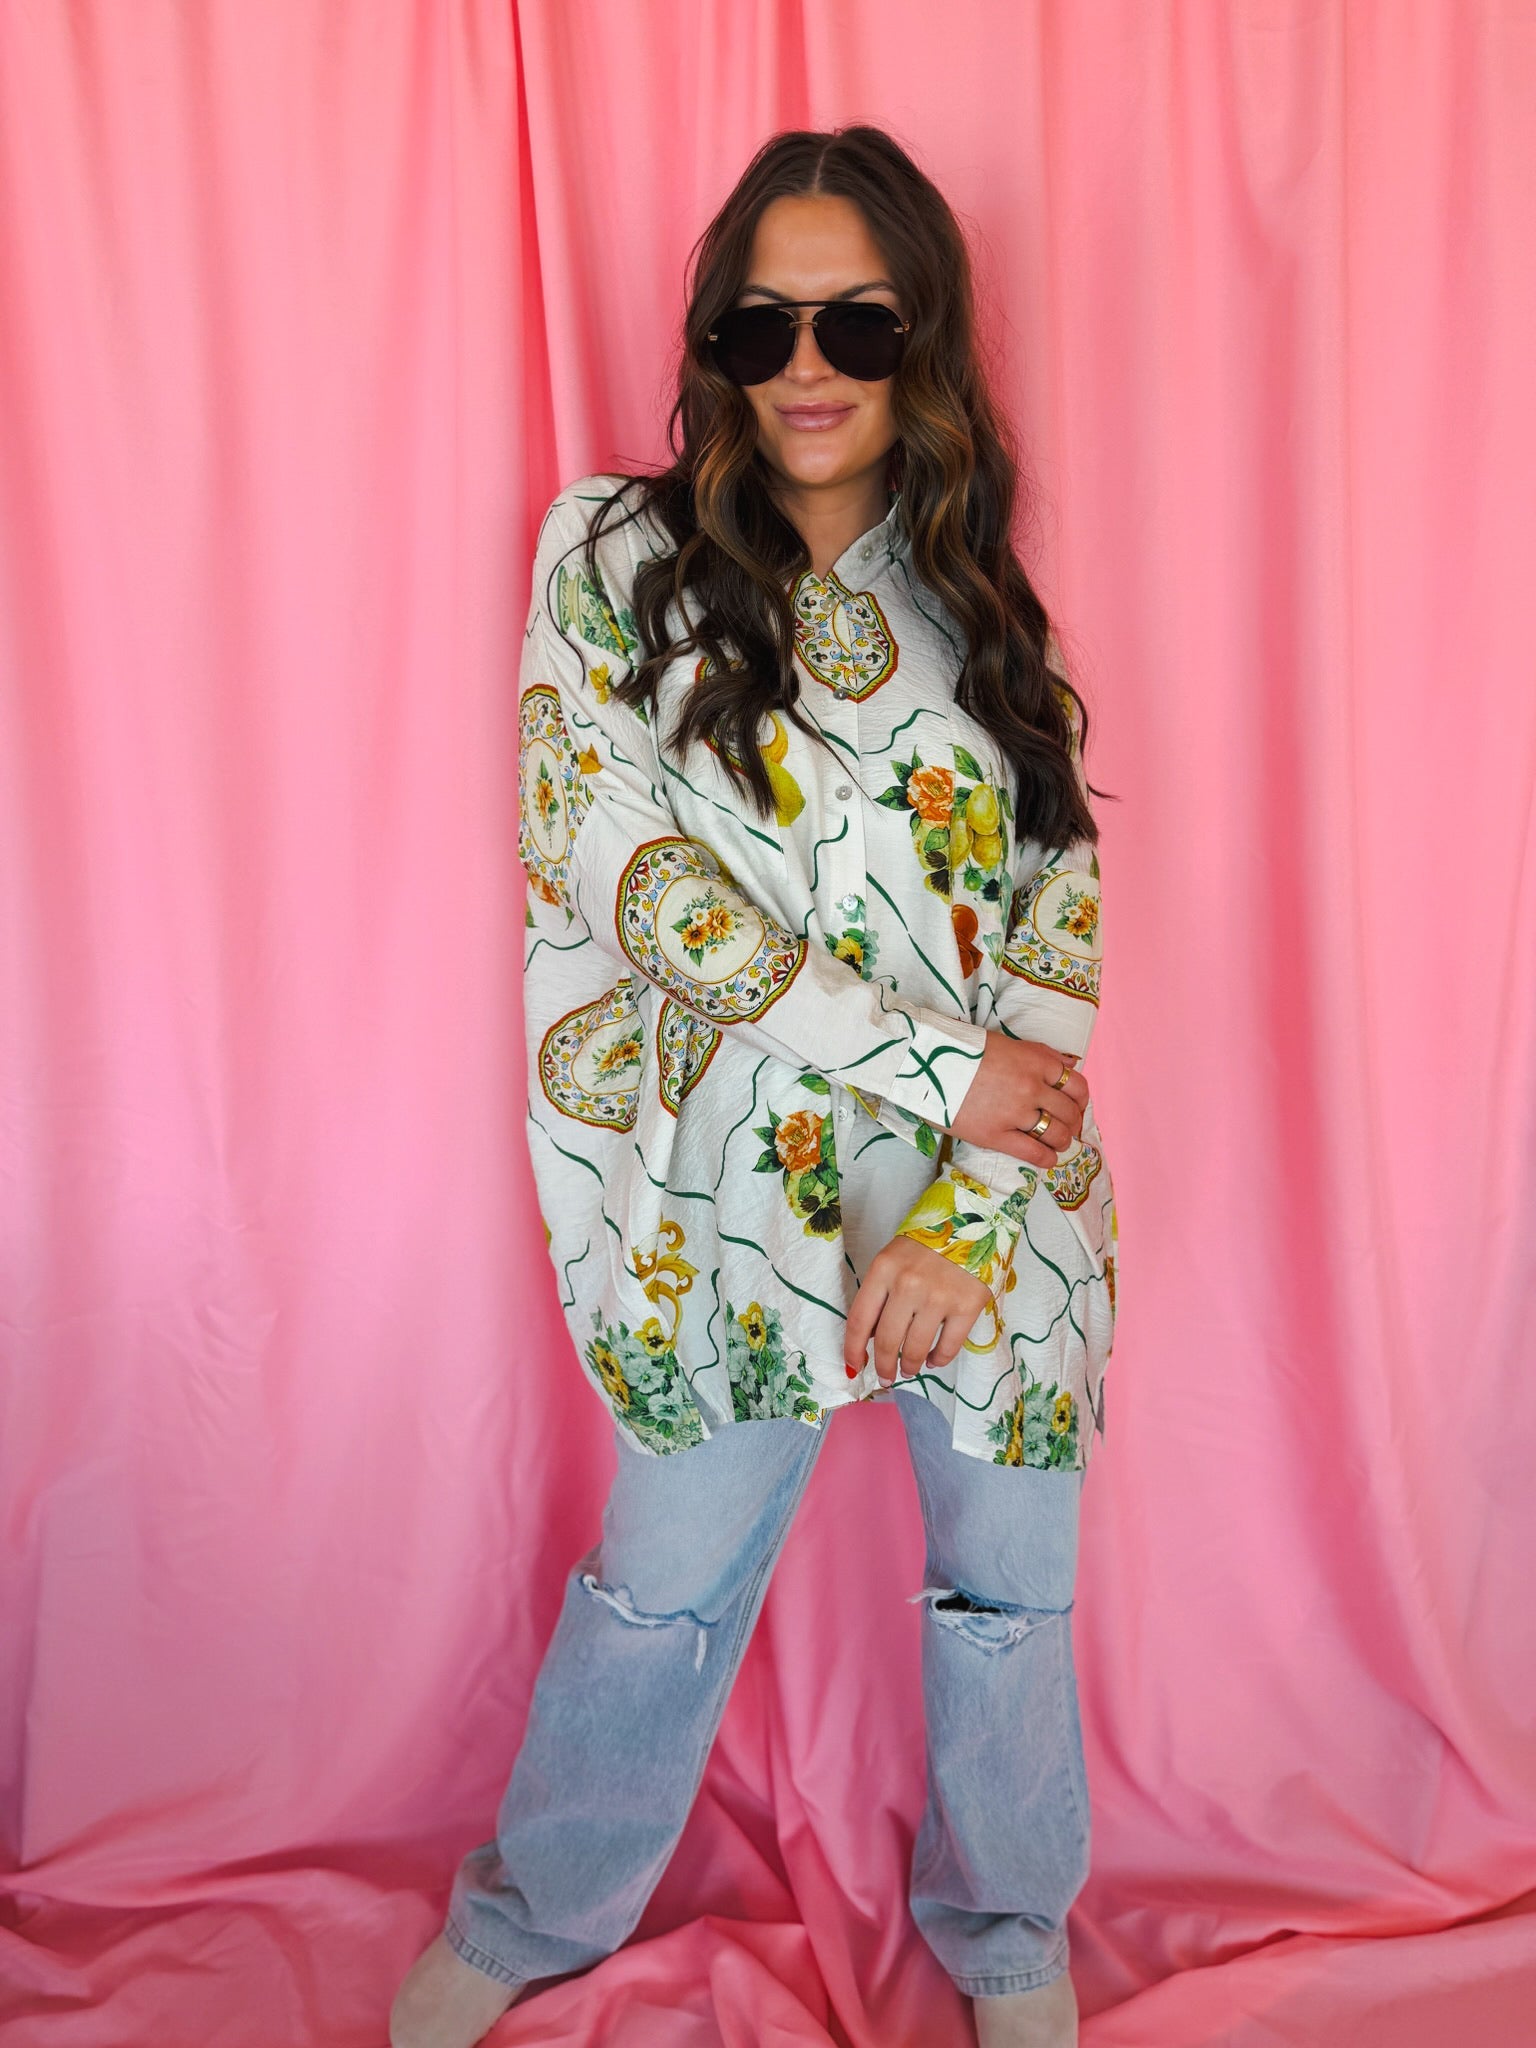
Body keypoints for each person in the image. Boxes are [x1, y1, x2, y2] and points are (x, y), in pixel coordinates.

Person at [391, 124, 1117, 2048]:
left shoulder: (985, 607)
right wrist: (940, 1072)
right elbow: (632, 885)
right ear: (713, 340)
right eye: (761, 323)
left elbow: (1060, 910)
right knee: (662, 1586)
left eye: (859, 324)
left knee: (1011, 1600)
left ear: (922, 341)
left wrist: (972, 1211)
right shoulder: (610, 559)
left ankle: (1011, 1944)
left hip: (996, 1208)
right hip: (729, 1195)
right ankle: (539, 1913)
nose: (809, 366)